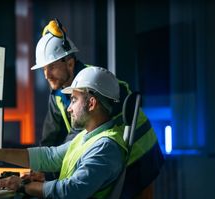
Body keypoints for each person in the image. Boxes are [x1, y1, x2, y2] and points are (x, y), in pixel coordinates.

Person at [31, 19, 164, 198]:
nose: (46, 75)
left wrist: (50, 174)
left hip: (140, 151)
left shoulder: (95, 80)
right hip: (115, 157)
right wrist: (41, 169)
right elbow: (51, 137)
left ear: (69, 63)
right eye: (43, 69)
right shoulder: (57, 93)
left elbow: (84, 132)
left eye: (52, 67)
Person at [0, 67, 128, 198]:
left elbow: (71, 190)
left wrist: (23, 185)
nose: (69, 108)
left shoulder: (106, 147)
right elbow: (50, 156)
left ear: (92, 103)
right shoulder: (88, 137)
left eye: (74, 100)